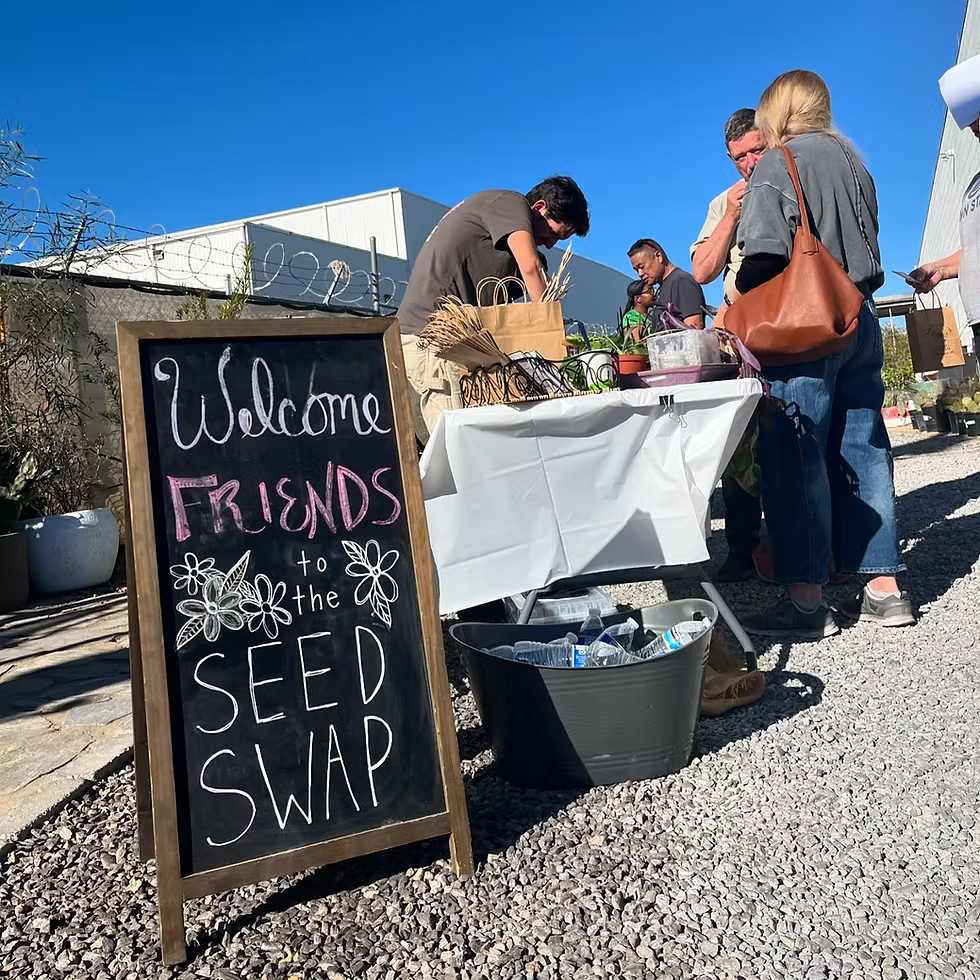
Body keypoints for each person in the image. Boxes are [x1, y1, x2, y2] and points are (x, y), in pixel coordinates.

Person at [729, 69, 914, 638]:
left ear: (777, 113)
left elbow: (762, 259)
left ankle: (806, 602)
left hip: (805, 327)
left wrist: (734, 305)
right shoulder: (855, 163)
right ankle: (884, 587)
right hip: (860, 315)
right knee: (865, 442)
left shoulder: (778, 163)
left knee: (796, 454)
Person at [398, 177, 590, 435]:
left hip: (462, 341)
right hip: (434, 338)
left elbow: (528, 273)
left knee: (478, 436)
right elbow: (530, 268)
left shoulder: (499, 235)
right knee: (459, 440)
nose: (551, 243)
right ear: (538, 207)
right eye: (555, 233)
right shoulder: (510, 202)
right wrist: (550, 326)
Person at [690, 109, 769, 583]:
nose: (750, 162)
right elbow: (702, 269)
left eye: (758, 150)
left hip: (791, 330)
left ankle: (800, 551)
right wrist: (734, 213)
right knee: (737, 443)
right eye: (740, 156)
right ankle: (741, 550)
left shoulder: (792, 179)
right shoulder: (725, 201)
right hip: (742, 336)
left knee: (792, 443)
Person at [913, 53, 980, 353]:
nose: (976, 132)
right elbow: (973, 251)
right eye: (975, 130)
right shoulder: (974, 184)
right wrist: (937, 268)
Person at [627, 239, 706, 328]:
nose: (640, 273)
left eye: (642, 267)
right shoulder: (663, 288)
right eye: (636, 270)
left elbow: (694, 327)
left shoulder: (681, 281)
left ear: (658, 256)